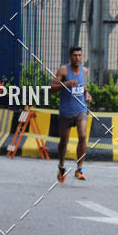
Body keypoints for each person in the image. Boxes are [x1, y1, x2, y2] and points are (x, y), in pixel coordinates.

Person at [50, 45, 91, 182]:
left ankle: (79, 169)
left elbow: (83, 87)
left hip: (81, 109)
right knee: (64, 142)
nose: (78, 58)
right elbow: (52, 88)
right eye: (75, 55)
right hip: (66, 112)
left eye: (80, 55)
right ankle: (62, 166)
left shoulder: (84, 71)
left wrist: (87, 94)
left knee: (83, 136)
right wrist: (66, 84)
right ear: (70, 57)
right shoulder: (63, 70)